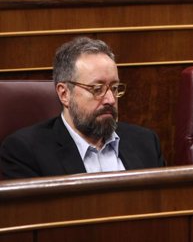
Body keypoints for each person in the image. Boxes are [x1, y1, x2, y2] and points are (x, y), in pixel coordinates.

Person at [0, 37, 166, 179]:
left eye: (114, 88)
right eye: (97, 89)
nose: (110, 99)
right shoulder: (25, 152)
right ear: (64, 94)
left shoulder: (145, 143)